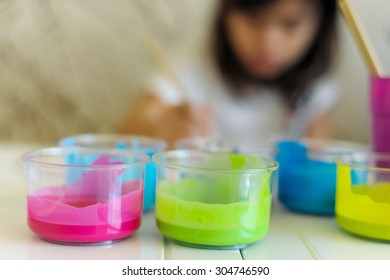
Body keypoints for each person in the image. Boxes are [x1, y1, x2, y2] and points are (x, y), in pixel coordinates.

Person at [122, 0, 339, 150]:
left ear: (321, 24)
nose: (268, 44)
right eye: (253, 20)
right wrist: (161, 127)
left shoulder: (315, 86)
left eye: (290, 24)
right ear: (226, 12)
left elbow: (319, 156)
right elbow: (130, 130)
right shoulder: (196, 62)